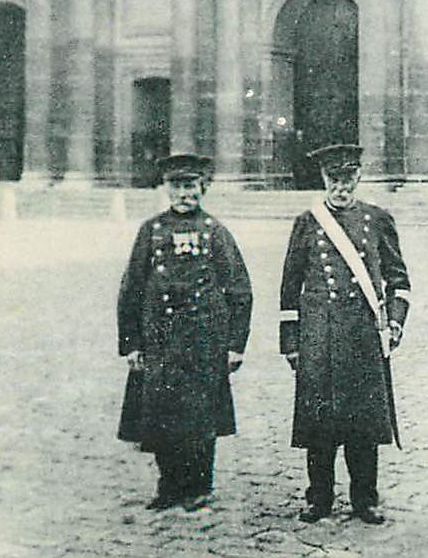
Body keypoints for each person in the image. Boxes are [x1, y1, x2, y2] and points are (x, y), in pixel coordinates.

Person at [279, 142, 411, 524]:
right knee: (319, 423)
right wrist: (291, 342)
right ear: (324, 178)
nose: (341, 187)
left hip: (362, 336)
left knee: (363, 423)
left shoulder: (377, 219)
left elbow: (399, 281)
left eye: (348, 179)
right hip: (318, 337)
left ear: (359, 176)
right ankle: (319, 497)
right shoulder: (307, 222)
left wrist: (395, 323)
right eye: (333, 179)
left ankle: (365, 498)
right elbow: (290, 287)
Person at [117, 153, 253, 512]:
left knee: (201, 416)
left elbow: (239, 290)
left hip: (204, 339)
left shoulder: (215, 231)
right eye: (177, 187)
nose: (184, 194)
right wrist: (131, 343)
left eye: (190, 186)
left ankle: (199, 486)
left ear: (202, 188)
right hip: (161, 339)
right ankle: (169, 485)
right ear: (166, 189)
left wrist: (235, 345)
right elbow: (131, 288)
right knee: (160, 412)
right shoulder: (151, 230)